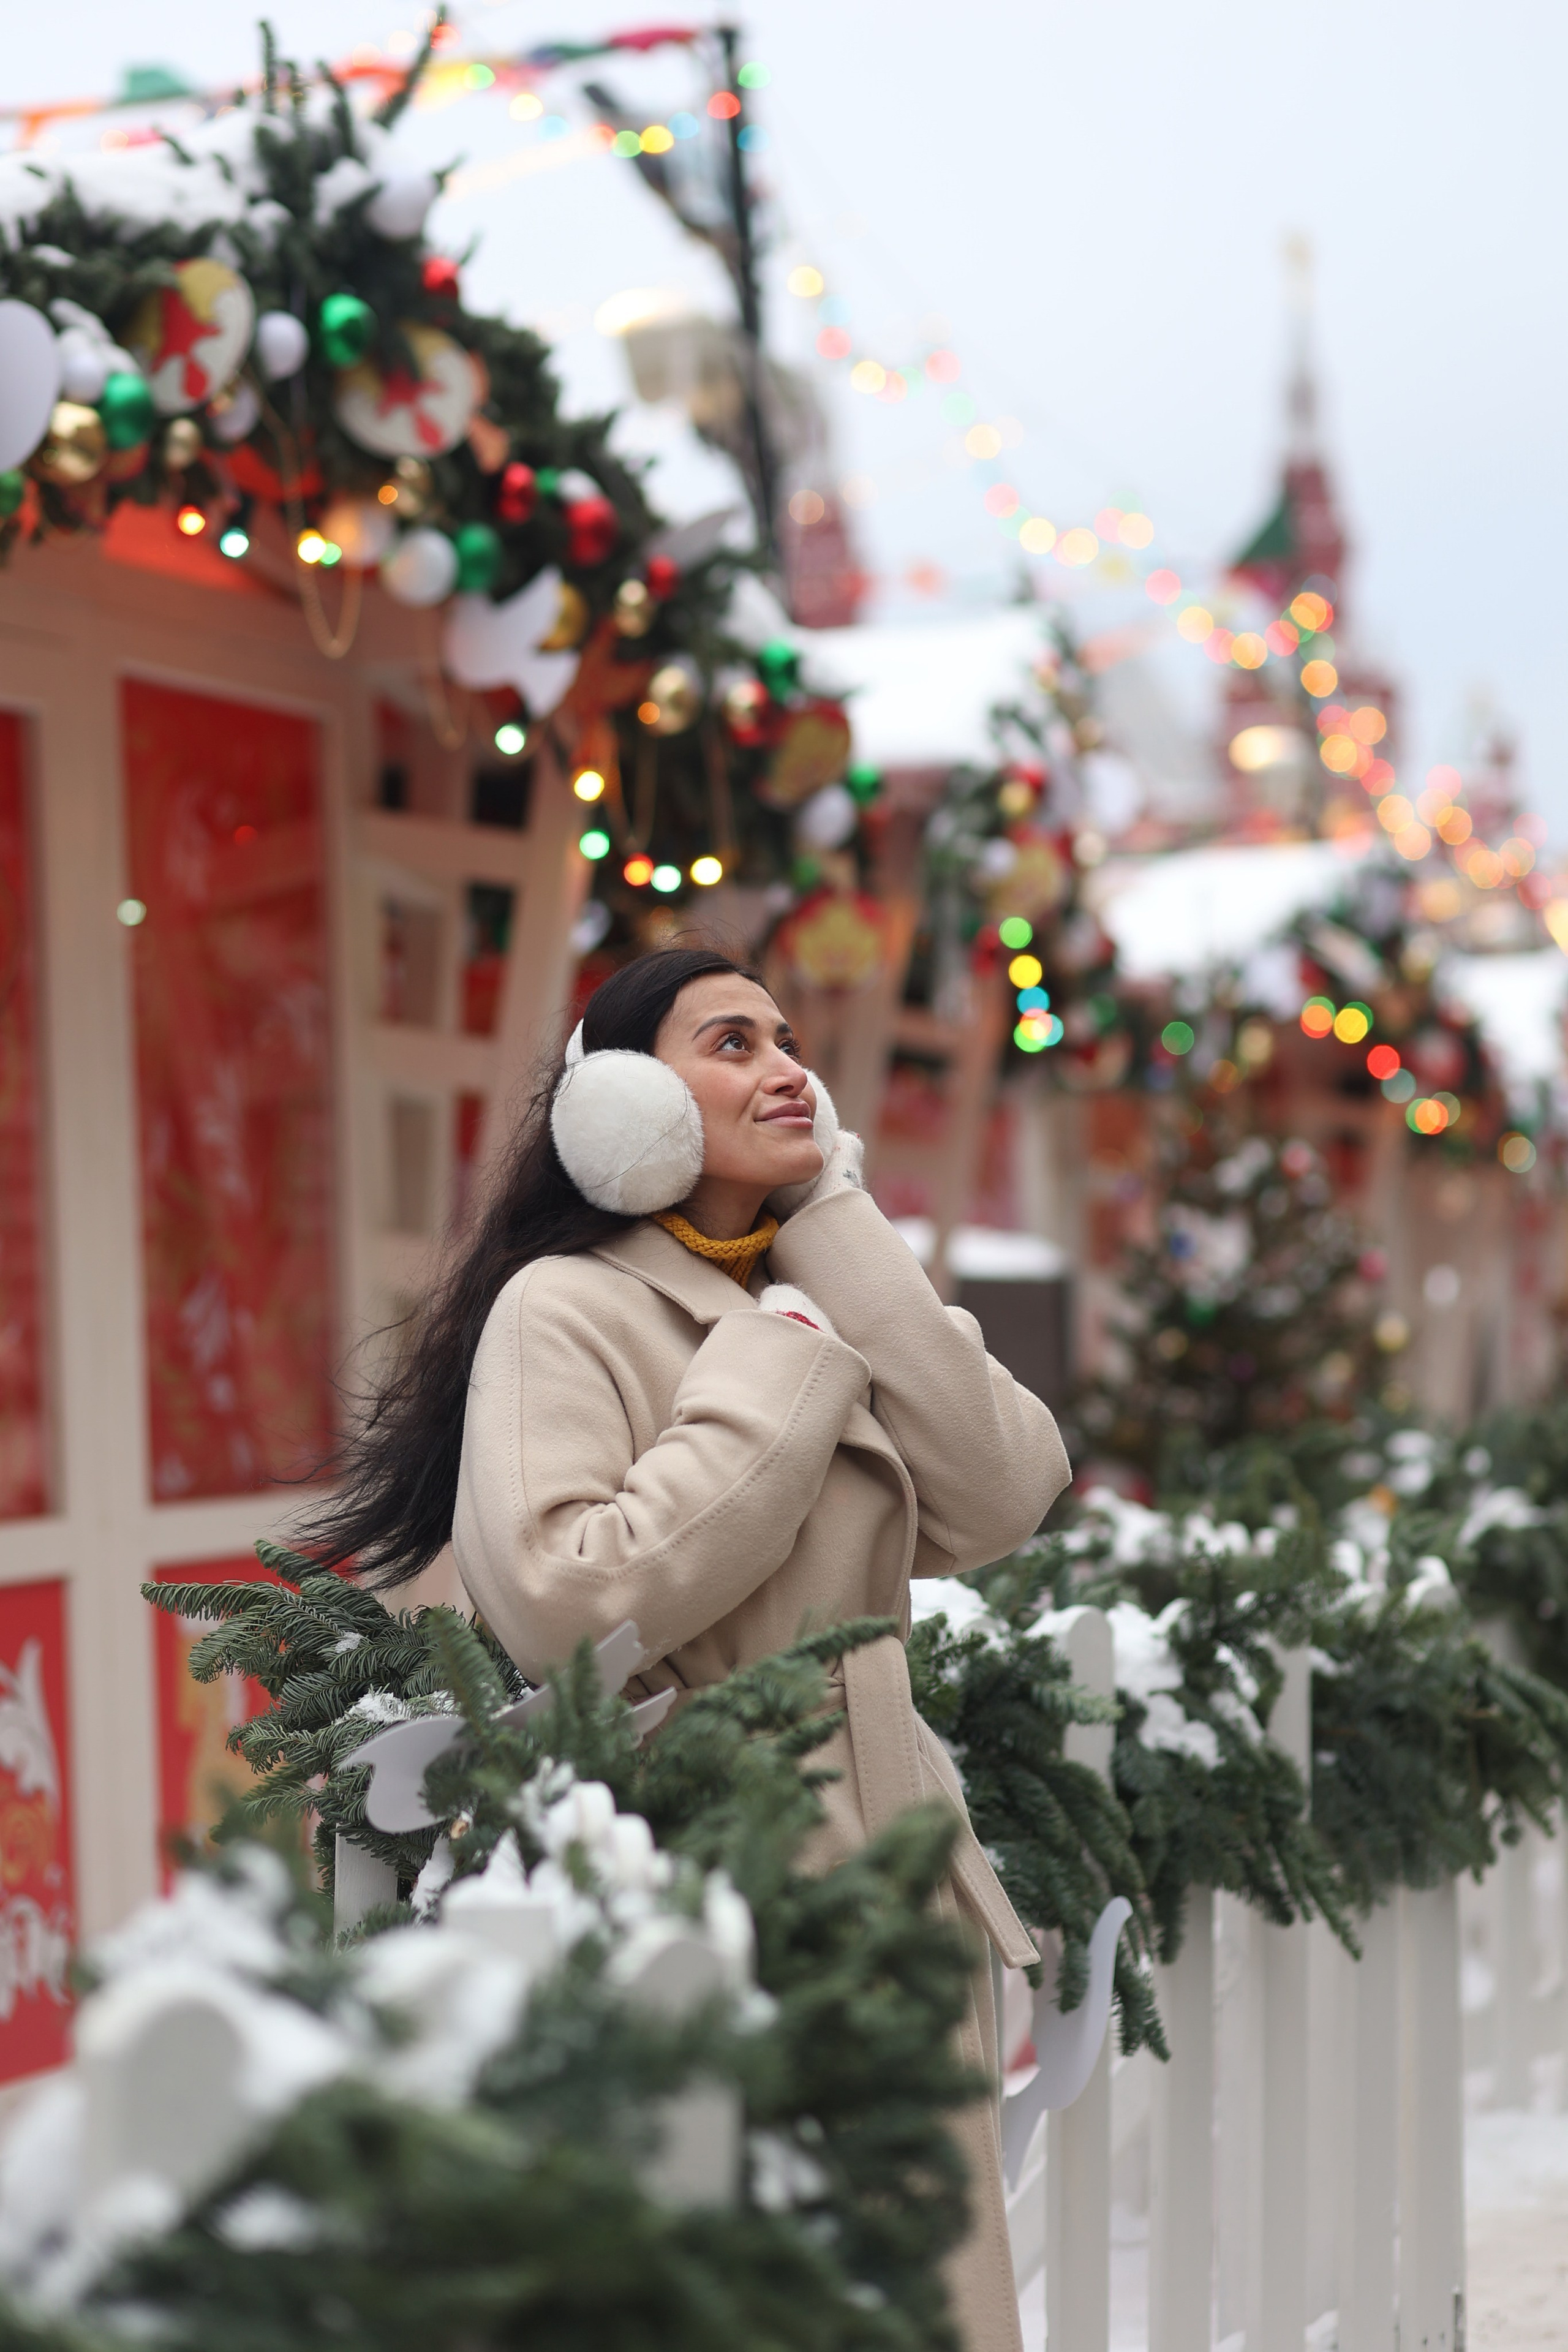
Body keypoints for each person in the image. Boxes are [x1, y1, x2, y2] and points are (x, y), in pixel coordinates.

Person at [307, 944, 1070, 2351]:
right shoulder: (567, 1307)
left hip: (894, 1862)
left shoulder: (822, 1279)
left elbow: (1003, 1488)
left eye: (789, 1039)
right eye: (731, 1042)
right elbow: (562, 1603)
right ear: (622, 1106)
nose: (785, 1067)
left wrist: (835, 1229)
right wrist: (770, 1369)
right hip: (700, 1875)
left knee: (918, 2296)